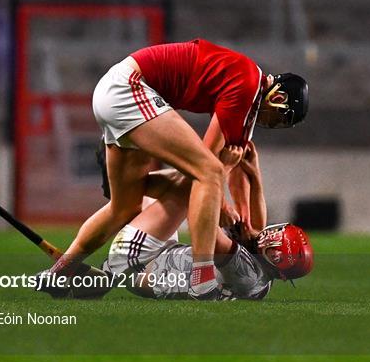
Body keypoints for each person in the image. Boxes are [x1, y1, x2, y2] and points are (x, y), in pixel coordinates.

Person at [47, 38, 308, 300]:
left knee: (124, 206)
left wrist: (245, 221)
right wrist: (224, 207)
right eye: (280, 119)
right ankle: (202, 279)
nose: (273, 125)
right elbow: (209, 164)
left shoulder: (246, 90)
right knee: (207, 172)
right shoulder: (248, 86)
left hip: (114, 91)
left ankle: (61, 271)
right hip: (130, 88)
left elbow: (235, 163)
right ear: (279, 97)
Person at [102, 142, 314, 301]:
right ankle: (121, 190)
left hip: (137, 266)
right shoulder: (260, 278)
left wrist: (223, 169)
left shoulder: (246, 273)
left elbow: (202, 217)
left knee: (188, 187)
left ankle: (119, 185)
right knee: (163, 191)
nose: (267, 239)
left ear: (281, 273)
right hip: (161, 255)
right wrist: (254, 171)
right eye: (274, 235)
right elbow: (254, 227)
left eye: (275, 251)